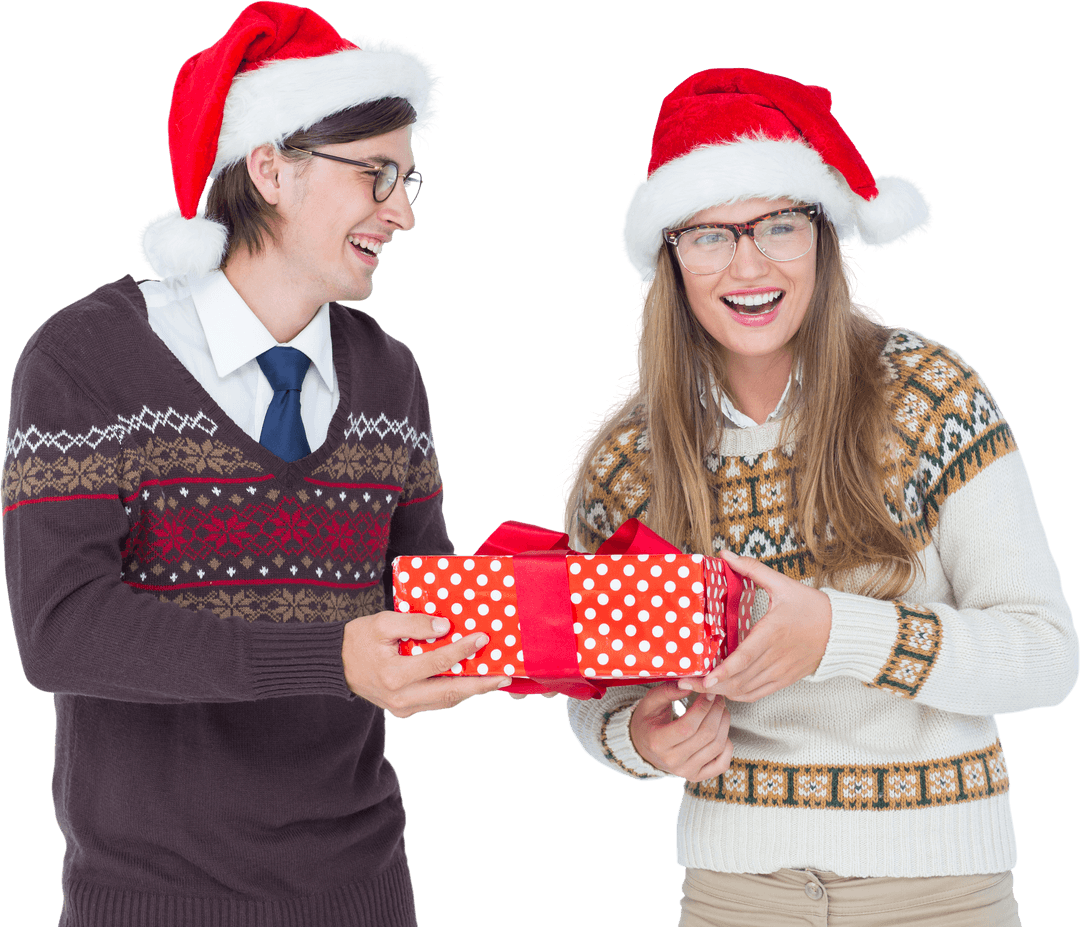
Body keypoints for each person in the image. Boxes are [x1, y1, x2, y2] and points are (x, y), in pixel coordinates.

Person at [2, 3, 511, 925]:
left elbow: (425, 599)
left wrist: (586, 621)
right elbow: (61, 631)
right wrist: (331, 655)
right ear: (270, 168)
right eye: (377, 174)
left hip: (362, 890)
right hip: (151, 900)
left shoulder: (390, 375)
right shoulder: (85, 359)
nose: (401, 209)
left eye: (408, 177)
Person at [563, 68, 1078, 926]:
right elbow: (600, 699)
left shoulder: (930, 395)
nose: (749, 263)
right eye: (709, 236)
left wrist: (841, 634)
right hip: (734, 899)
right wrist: (642, 741)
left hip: (941, 897)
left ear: (824, 236)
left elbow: (1046, 654)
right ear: (670, 256)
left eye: (778, 225)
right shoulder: (630, 463)